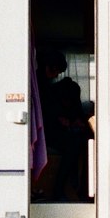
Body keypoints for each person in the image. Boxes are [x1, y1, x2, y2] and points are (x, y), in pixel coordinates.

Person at [36, 48, 92, 201]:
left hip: (52, 128)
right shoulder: (39, 84)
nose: (56, 75)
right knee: (73, 145)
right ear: (49, 67)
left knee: (78, 140)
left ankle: (74, 185)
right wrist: (60, 120)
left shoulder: (46, 84)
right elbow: (46, 110)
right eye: (56, 71)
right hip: (45, 130)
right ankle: (61, 188)